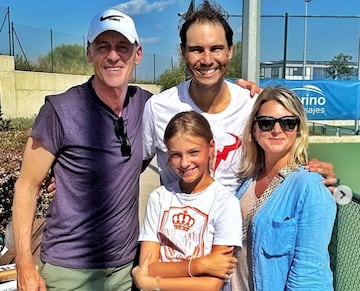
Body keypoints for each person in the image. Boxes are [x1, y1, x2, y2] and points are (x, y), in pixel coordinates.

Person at [12, 8, 152, 290]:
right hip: (69, 272)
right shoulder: (60, 110)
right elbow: (26, 185)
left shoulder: (149, 106)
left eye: (122, 47)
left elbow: (198, 106)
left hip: (125, 271)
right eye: (103, 47)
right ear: (89, 53)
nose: (113, 56)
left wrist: (244, 92)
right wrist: (25, 265)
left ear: (137, 54)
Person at [142, 0, 337, 195]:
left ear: (230, 51)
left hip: (240, 224)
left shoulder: (252, 105)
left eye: (216, 48)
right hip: (178, 224)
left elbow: (285, 155)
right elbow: (130, 168)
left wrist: (312, 171)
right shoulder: (158, 107)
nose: (207, 60)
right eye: (196, 49)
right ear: (183, 52)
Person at [232, 86, 336, 290]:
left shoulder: (310, 185)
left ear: (299, 130)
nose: (276, 130)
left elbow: (309, 275)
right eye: (266, 123)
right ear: (254, 130)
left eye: (288, 123)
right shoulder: (247, 181)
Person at [132, 111, 242, 291]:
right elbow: (148, 267)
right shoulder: (160, 197)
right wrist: (200, 265)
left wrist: (154, 283)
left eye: (193, 152)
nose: (184, 163)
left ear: (211, 148)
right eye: (176, 154)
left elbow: (212, 284)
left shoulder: (225, 203)